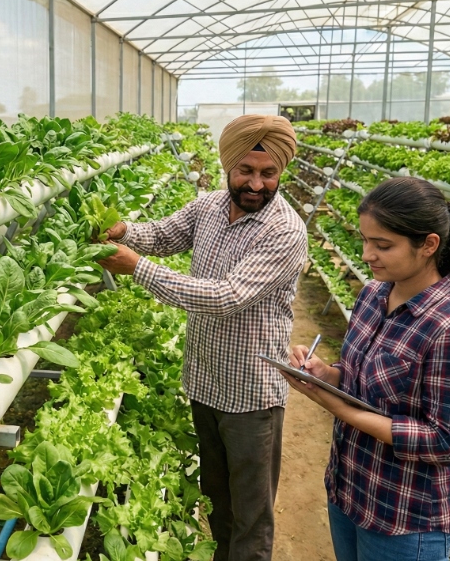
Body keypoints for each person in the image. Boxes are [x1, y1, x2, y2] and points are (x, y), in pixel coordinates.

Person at [98, 114, 308, 561]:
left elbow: (226, 296)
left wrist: (136, 267)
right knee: (217, 499)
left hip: (252, 394)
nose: (256, 184)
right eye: (246, 171)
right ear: (228, 166)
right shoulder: (208, 206)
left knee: (252, 518)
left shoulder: (285, 230)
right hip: (206, 381)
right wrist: (125, 232)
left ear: (281, 173)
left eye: (268, 173)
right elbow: (163, 234)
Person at [283, 177, 450, 561]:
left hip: (404, 518)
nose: (366, 254)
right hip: (350, 491)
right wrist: (324, 374)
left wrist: (341, 409)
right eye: (365, 240)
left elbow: (447, 441)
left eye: (383, 245)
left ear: (428, 245)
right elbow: (356, 373)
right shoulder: (373, 294)